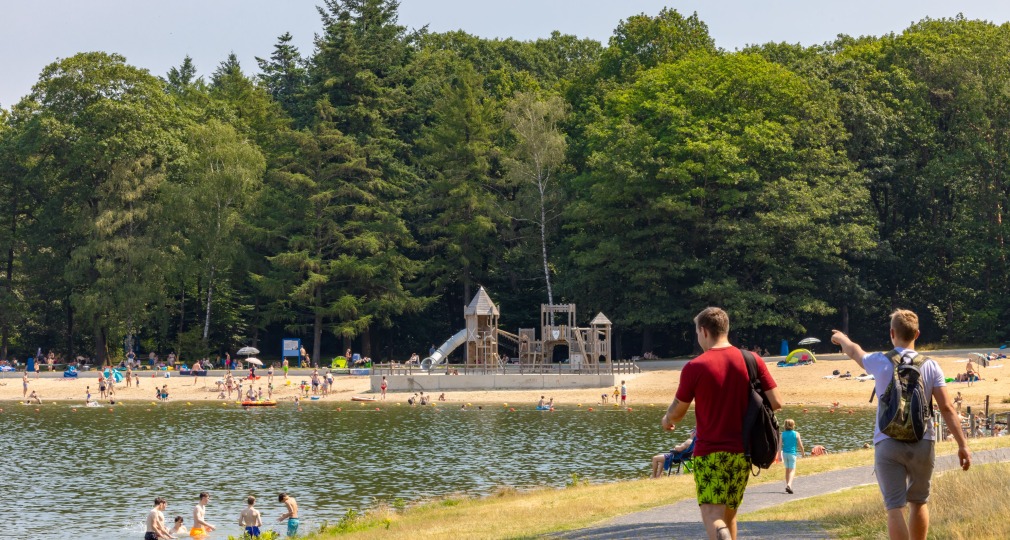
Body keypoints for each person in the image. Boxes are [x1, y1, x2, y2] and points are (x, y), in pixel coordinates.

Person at [831, 309, 971, 540]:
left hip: (887, 442)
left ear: (891, 333)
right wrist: (962, 445)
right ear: (917, 334)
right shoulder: (931, 366)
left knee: (895, 507)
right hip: (922, 441)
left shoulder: (879, 361)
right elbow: (947, 408)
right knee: (919, 502)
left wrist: (842, 338)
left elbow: (854, 351)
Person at [662, 307, 782, 540]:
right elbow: (776, 402)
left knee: (712, 514)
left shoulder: (695, 367)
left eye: (697, 333)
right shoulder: (752, 360)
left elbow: (677, 413)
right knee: (730, 515)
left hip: (710, 453)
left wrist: (666, 419)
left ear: (704, 331)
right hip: (742, 452)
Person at [780, 418, 805, 494]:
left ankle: (788, 486)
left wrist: (779, 455)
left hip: (785, 454)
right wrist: (803, 453)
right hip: (792, 454)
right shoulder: (796, 434)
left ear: (785, 425)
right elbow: (800, 445)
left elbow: (779, 446)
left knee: (787, 470)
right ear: (793, 425)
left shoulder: (782, 434)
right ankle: (789, 485)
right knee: (792, 470)